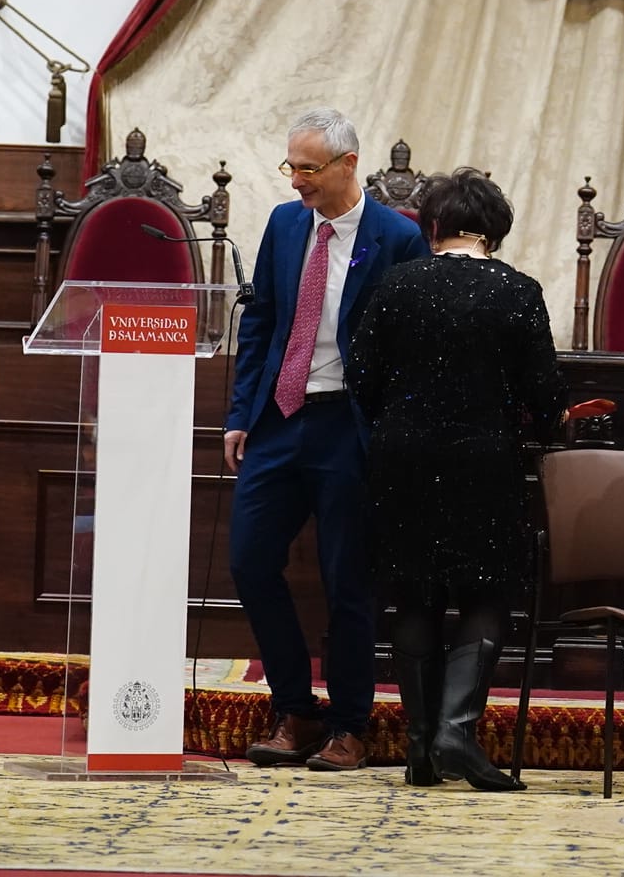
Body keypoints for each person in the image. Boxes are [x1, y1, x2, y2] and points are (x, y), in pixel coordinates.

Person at [347, 168, 566, 791]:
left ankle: (419, 748)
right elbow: (545, 391)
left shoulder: (395, 285)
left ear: (432, 225)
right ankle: (455, 731)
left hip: (401, 456)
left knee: (414, 595)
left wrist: (400, 418)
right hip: (483, 457)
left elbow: (360, 377)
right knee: (484, 594)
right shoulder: (517, 291)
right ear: (494, 229)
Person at [224, 108, 429, 772]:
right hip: (280, 419)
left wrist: (394, 435)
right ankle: (296, 711)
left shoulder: (397, 238)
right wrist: (239, 414)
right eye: (291, 166)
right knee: (250, 562)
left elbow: (410, 349)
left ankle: (349, 725)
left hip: (349, 426)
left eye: (308, 169)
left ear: (348, 164)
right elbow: (259, 322)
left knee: (348, 583)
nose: (296, 182)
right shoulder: (286, 225)